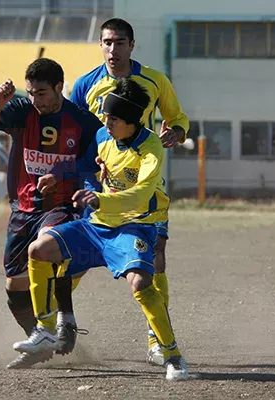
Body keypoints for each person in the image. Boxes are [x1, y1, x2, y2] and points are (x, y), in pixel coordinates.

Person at [13, 78, 188, 380]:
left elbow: (142, 193)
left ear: (132, 121)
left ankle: (172, 355)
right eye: (106, 116)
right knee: (39, 250)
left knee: (141, 285)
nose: (106, 122)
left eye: (114, 118)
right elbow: (82, 164)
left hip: (134, 226)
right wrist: (57, 175)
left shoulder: (150, 148)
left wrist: (100, 198)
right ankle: (45, 328)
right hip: (97, 225)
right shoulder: (101, 135)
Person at [64, 17, 190, 363]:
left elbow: (179, 119)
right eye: (106, 42)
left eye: (119, 42)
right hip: (98, 187)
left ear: (131, 46)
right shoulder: (85, 84)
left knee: (155, 259)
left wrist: (176, 133)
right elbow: (73, 133)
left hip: (144, 183)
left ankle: (156, 340)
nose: (112, 49)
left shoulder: (154, 80)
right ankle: (61, 322)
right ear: (100, 45)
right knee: (76, 260)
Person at [0, 58, 102, 369]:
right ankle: (40, 339)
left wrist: (61, 176)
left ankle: (59, 320)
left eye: (42, 93)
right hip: (22, 206)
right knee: (14, 287)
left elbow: (92, 163)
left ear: (59, 87)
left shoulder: (83, 122)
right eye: (31, 92)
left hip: (60, 205)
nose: (36, 100)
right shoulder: (21, 110)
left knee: (46, 249)